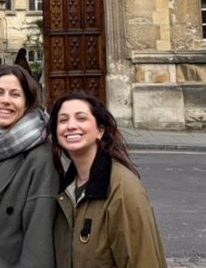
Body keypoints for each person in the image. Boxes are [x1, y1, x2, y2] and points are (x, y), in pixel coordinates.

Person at [49, 92, 167, 268]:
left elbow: (143, 260)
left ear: (100, 130)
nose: (71, 126)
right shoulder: (64, 189)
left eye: (81, 118)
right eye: (63, 120)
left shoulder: (123, 188)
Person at [0, 64, 58, 268]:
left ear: (27, 103)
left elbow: (38, 239)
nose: (5, 100)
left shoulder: (40, 157)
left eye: (15, 94)